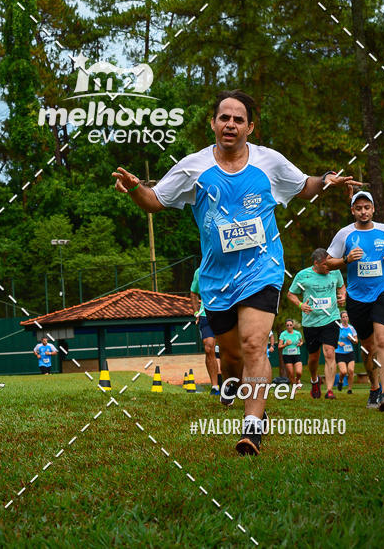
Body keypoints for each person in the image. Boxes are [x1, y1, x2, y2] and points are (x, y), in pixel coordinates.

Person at [113, 88, 358, 455]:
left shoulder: (268, 162)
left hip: (264, 268)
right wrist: (135, 188)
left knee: (254, 343)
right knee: (231, 356)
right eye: (224, 117)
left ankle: (252, 428)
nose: (230, 124)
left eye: (238, 119)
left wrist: (325, 181)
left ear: (250, 127)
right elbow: (155, 201)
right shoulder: (193, 167)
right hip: (216, 279)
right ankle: (229, 381)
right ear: (213, 123)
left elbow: (303, 187)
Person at [326, 191, 384, 411]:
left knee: (383, 340)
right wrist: (347, 259)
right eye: (358, 208)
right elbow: (329, 262)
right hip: (357, 297)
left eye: (367, 207)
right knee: (368, 348)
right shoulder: (344, 234)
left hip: (383, 292)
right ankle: (375, 387)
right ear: (353, 211)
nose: (363, 211)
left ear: (373, 209)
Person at [287, 248, 345, 399]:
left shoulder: (335, 271)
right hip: (311, 322)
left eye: (330, 264)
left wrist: (343, 295)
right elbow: (291, 294)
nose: (328, 267)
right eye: (325, 265)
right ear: (316, 263)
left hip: (331, 318)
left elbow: (341, 286)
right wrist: (301, 305)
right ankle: (314, 380)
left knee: (330, 352)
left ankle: (330, 390)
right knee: (313, 358)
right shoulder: (303, 275)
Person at [190, 265, 222, 395]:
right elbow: (193, 293)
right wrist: (196, 312)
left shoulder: (225, 267)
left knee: (228, 350)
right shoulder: (199, 271)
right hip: (205, 314)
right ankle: (215, 387)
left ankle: (231, 383)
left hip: (224, 312)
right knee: (209, 348)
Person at [335, 310, 358, 393]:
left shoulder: (351, 328)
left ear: (348, 318)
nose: (345, 318)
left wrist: (351, 339)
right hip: (340, 352)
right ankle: (340, 381)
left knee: (351, 371)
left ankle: (349, 389)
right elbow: (333, 339)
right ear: (341, 319)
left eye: (346, 317)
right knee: (343, 371)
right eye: (343, 317)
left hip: (350, 352)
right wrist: (339, 342)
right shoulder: (338, 327)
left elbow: (356, 341)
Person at [277, 319, 303, 387]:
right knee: (291, 374)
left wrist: (300, 344)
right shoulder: (283, 334)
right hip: (287, 356)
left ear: (293, 325)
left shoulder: (297, 333)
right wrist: (286, 344)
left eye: (290, 325)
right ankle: (294, 389)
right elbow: (279, 346)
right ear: (286, 326)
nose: (289, 326)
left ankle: (297, 379)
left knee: (299, 372)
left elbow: (301, 341)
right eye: (287, 325)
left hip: (296, 355)